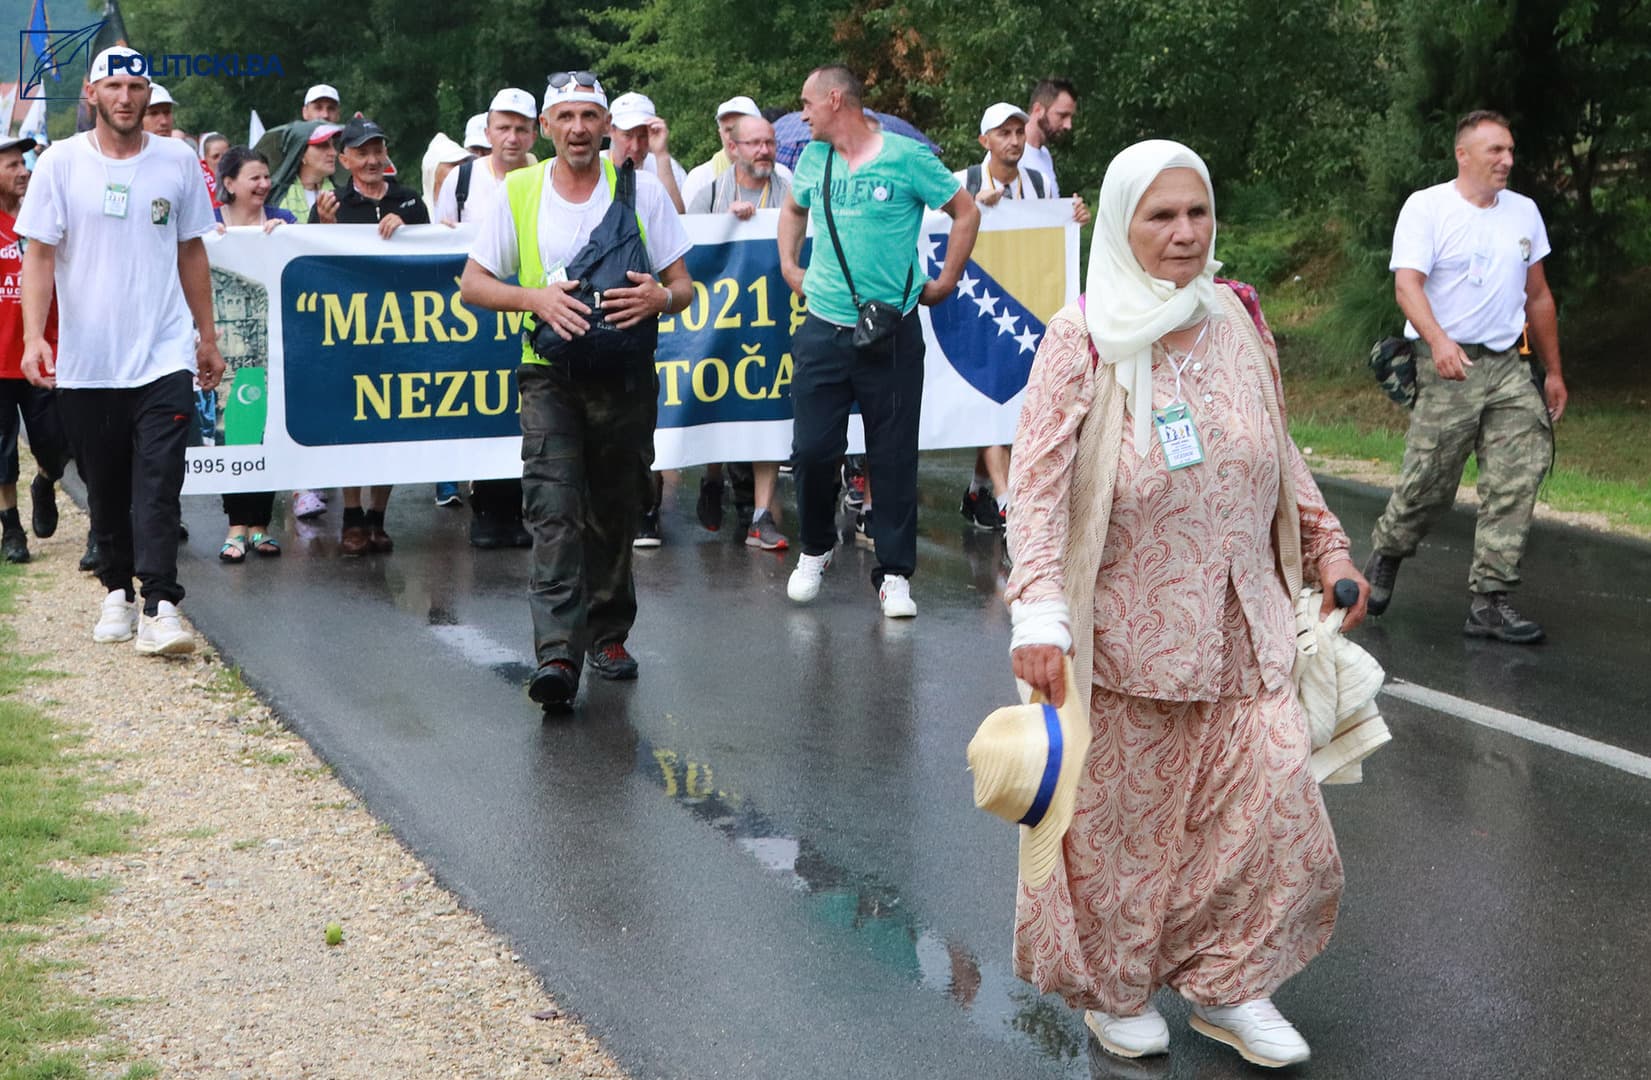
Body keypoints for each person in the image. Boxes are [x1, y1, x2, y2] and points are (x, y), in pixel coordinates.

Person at [1005, 139, 1370, 1068]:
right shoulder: (1079, 336)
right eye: (1159, 216)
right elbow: (1038, 490)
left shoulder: (1238, 316)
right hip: (1125, 634)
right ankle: (1117, 992)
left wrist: (1325, 545)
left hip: (1246, 623)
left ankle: (1228, 984)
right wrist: (1039, 616)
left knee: (1276, 816)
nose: (1181, 233)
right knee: (1125, 835)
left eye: (1195, 212)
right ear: (1123, 225)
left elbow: (1277, 451)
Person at [460, 71, 692, 709]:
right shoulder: (520, 191)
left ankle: (608, 634)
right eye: (566, 117)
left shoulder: (640, 192)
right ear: (546, 129)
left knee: (615, 510)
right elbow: (473, 284)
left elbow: (684, 286)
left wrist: (660, 297)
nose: (579, 129)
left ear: (607, 127)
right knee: (554, 511)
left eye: (590, 117)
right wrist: (533, 297)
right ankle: (558, 654)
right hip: (548, 374)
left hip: (623, 378)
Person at [18, 46, 223, 656]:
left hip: (162, 353)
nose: (127, 98)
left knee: (160, 481)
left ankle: (161, 604)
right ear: (92, 93)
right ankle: (117, 589)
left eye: (137, 88)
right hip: (89, 359)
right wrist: (34, 337)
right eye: (115, 87)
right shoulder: (60, 163)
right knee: (104, 483)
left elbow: (192, 250)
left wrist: (205, 336)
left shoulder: (178, 160)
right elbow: (40, 255)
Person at [778, 64, 979, 618]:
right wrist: (789, 264)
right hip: (823, 328)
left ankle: (893, 573)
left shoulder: (908, 157)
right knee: (813, 451)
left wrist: (947, 280)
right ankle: (816, 547)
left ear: (835, 100)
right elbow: (793, 210)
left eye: (808, 102)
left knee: (892, 455)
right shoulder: (812, 160)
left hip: (890, 329)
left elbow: (965, 211)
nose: (803, 113)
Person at [1363, 110, 1565, 644]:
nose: (1507, 160)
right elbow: (1408, 287)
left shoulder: (1523, 213)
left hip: (1507, 365)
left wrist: (1554, 373)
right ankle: (1387, 553)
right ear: (1464, 154)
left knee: (1516, 476)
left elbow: (1538, 296)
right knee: (1429, 482)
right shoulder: (1427, 208)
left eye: (1511, 150)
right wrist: (1438, 341)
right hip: (1447, 364)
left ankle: (1491, 600)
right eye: (1496, 150)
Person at [953, 102, 1092, 533]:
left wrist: (1074, 219)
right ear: (985, 141)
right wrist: (974, 205)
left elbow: (1049, 237)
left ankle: (979, 489)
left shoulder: (1038, 181)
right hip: (978, 306)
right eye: (1003, 134)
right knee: (990, 399)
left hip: (1024, 304)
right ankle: (1008, 500)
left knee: (1013, 402)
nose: (1013, 141)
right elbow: (930, 228)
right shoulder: (963, 182)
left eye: (1018, 132)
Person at [310, 115, 429, 556]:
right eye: (362, 152)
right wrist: (322, 230)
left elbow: (432, 259)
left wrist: (409, 228)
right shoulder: (332, 205)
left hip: (399, 333)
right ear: (345, 160)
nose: (373, 159)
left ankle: (379, 519)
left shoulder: (411, 201)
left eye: (378, 150)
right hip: (349, 334)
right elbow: (313, 264)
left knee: (391, 428)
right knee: (352, 425)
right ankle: (352, 516)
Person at [433, 88, 539, 547]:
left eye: (521, 128)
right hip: (473, 316)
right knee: (482, 405)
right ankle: (485, 512)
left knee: (522, 412)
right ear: (488, 130)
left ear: (535, 132)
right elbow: (436, 247)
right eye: (504, 127)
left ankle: (515, 514)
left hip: (528, 311)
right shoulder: (461, 181)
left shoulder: (546, 176)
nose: (512, 137)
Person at [687, 114, 791, 550]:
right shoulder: (708, 193)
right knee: (716, 403)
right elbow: (685, 251)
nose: (765, 151)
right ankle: (712, 479)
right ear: (733, 148)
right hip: (719, 323)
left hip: (772, 321)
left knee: (768, 410)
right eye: (755, 144)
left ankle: (762, 515)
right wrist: (723, 223)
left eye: (769, 143)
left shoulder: (789, 190)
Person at [211, 145, 294, 564]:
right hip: (222, 353)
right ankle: (235, 526)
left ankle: (261, 525)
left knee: (265, 432)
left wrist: (290, 236)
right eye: (254, 178)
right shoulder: (208, 224)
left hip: (271, 350)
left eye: (266, 177)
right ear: (229, 184)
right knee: (233, 434)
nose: (263, 185)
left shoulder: (285, 222)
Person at [0, 135, 69, 564]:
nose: (24, 170)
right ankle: (11, 529)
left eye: (24, 163)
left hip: (46, 352)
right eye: (11, 166)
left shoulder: (45, 216)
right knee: (1, 452)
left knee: (58, 444)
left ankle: (45, 483)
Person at [681, 95, 794, 207]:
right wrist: (728, 220)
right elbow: (690, 224)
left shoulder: (784, 177)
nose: (734, 136)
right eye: (729, 130)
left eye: (741, 128)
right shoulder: (700, 179)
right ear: (720, 134)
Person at [605, 91, 688, 214]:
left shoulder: (667, 167)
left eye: (643, 136)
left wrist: (661, 154)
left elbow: (678, 219)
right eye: (627, 135)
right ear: (611, 131)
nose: (635, 147)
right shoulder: (595, 166)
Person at [1021, 77, 1076, 198]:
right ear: (1038, 110)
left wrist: (1074, 212)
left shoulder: (1045, 155)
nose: (1068, 125)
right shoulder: (1010, 155)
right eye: (1062, 115)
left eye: (1071, 117)